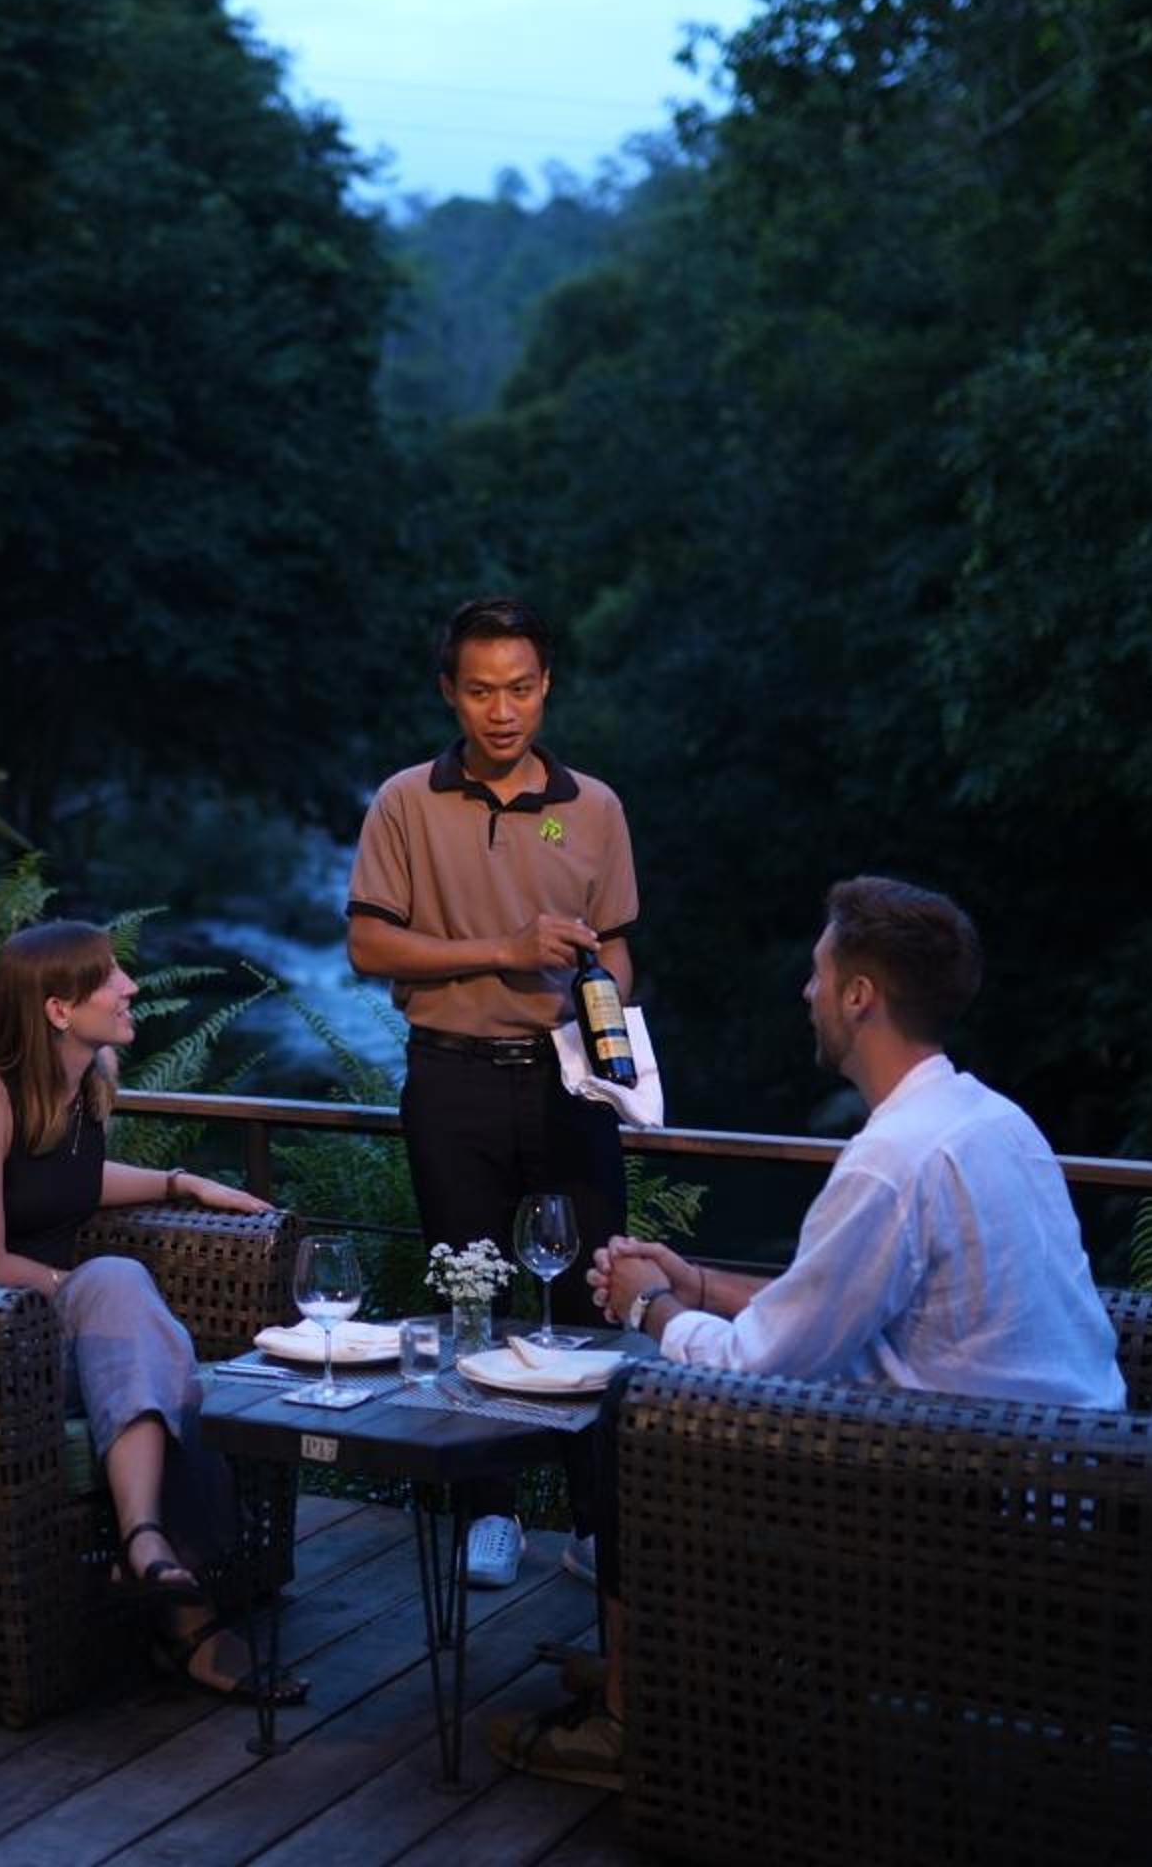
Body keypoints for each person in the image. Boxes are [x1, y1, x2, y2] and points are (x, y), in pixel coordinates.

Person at [492, 874, 1124, 1789]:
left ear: (860, 995)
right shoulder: (992, 1119)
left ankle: (632, 1723)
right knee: (671, 1410)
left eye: (820, 973)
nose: (807, 991)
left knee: (639, 1415)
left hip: (970, 1504)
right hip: (1062, 1473)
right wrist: (696, 1283)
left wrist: (646, 1304)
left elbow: (758, 1367)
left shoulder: (891, 1162)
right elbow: (835, 1309)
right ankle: (658, 1666)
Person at [0, 917, 307, 1705]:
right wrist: (93, 1294)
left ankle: (157, 1570)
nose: (130, 987)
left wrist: (181, 1182)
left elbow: (71, 1181)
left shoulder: (86, 1081)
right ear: (58, 1009)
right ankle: (172, 1591)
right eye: (109, 978)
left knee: (140, 1332)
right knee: (122, 1288)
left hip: (51, 1342)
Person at [345, 594, 640, 1588]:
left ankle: (597, 1520)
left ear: (546, 686)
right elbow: (368, 943)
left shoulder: (595, 807)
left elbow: (618, 945)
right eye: (480, 691)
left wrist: (607, 1008)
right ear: (449, 692)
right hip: (451, 1078)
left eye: (519, 688)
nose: (502, 710)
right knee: (472, 1296)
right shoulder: (404, 801)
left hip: (568, 1081)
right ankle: (490, 1512)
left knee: (593, 1295)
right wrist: (506, 948)